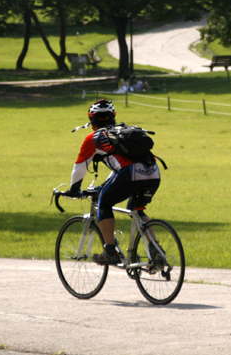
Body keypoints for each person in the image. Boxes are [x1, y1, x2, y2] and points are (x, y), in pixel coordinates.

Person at [67, 99, 161, 265]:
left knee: (104, 203)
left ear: (91, 121)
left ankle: (110, 251)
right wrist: (104, 186)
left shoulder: (94, 138)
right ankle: (156, 251)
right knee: (136, 209)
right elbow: (120, 166)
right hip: (153, 173)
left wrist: (74, 190)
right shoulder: (126, 131)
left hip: (130, 174)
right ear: (114, 117)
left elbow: (80, 168)